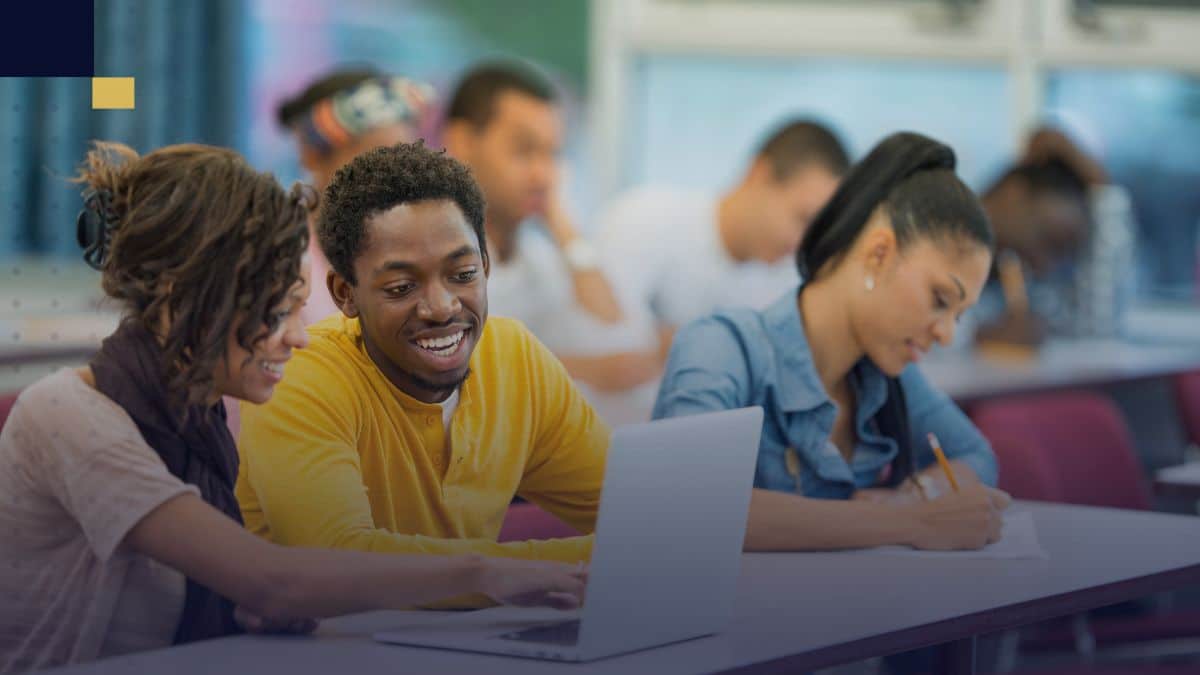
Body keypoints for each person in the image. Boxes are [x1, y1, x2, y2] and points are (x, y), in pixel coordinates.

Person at [0, 142, 585, 674]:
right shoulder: (70, 417)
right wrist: (489, 572)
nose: (298, 337)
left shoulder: (196, 423)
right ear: (190, 303)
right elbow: (273, 581)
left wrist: (243, 609)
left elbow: (249, 593)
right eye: (274, 313)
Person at [235, 142, 609, 587]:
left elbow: (642, 523)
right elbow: (339, 558)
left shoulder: (515, 357)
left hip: (470, 642)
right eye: (400, 287)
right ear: (344, 294)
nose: (441, 307)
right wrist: (539, 571)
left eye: (463, 274)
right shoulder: (301, 376)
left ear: (486, 267)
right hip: (318, 649)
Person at [653, 131, 1010, 553]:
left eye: (959, 315)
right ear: (879, 253)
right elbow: (692, 506)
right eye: (939, 300)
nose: (946, 334)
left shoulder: (883, 378)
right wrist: (906, 522)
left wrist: (909, 498)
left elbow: (975, 456)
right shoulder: (720, 347)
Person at [573, 119, 851, 403]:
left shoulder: (785, 284)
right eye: (802, 219)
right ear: (759, 174)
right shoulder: (645, 219)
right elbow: (597, 337)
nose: (800, 245)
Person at [440, 61, 629, 378]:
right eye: (524, 150)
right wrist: (582, 370)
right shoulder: (429, 256)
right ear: (462, 142)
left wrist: (565, 229)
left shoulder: (539, 256)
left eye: (553, 153)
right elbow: (455, 371)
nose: (543, 174)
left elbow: (615, 332)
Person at [276, 67, 434, 324]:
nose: (395, 176)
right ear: (312, 155)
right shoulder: (279, 255)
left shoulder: (425, 244)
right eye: (374, 158)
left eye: (406, 158)